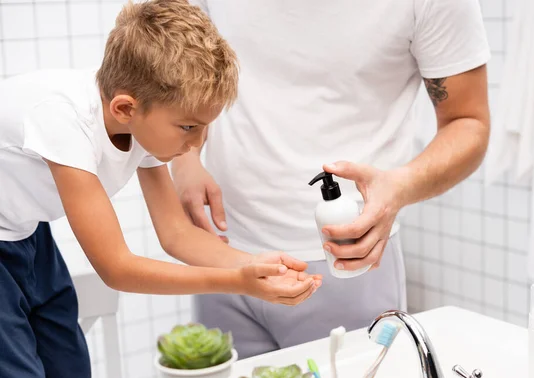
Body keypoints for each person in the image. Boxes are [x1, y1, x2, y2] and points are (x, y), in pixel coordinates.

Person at [0, 1, 322, 378]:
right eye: (189, 126)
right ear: (125, 107)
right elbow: (117, 269)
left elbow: (175, 234)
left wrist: (254, 264)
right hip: (7, 239)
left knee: (67, 371)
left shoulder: (141, 121)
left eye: (204, 127)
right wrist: (235, 282)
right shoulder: (63, 120)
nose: (197, 143)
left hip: (27, 232)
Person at [173, 0, 492, 359]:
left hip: (347, 266)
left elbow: (468, 122)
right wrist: (184, 158)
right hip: (219, 254)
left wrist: (399, 187)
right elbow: (174, 62)